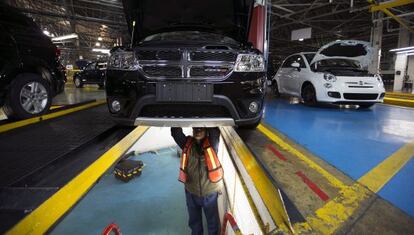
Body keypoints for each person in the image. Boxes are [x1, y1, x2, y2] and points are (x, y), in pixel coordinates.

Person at [171, 127, 223, 235]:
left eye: (201, 129)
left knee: (212, 224)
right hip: (191, 192)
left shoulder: (212, 144)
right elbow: (176, 132)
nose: (198, 131)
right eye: (196, 129)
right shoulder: (187, 144)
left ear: (206, 130)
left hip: (209, 193)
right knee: (195, 224)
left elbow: (215, 131)